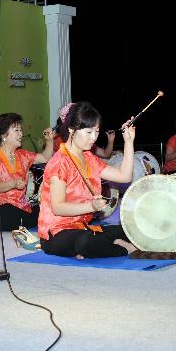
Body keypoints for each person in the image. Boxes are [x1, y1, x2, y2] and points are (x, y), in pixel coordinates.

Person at [38, 101, 138, 258]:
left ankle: (101, 244)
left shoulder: (89, 158)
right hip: (56, 232)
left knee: (130, 229)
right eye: (89, 132)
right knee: (84, 242)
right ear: (72, 130)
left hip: (83, 227)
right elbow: (58, 208)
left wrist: (129, 142)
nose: (94, 137)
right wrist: (90, 205)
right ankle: (122, 248)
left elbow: (124, 176)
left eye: (97, 132)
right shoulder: (58, 163)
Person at [0, 113, 55, 231]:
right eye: (16, 130)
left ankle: (30, 219)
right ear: (4, 135)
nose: (21, 134)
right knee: (6, 211)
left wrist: (50, 141)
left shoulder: (23, 155)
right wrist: (13, 183)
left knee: (51, 205)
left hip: (22, 208)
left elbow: (45, 158)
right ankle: (33, 219)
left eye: (21, 130)